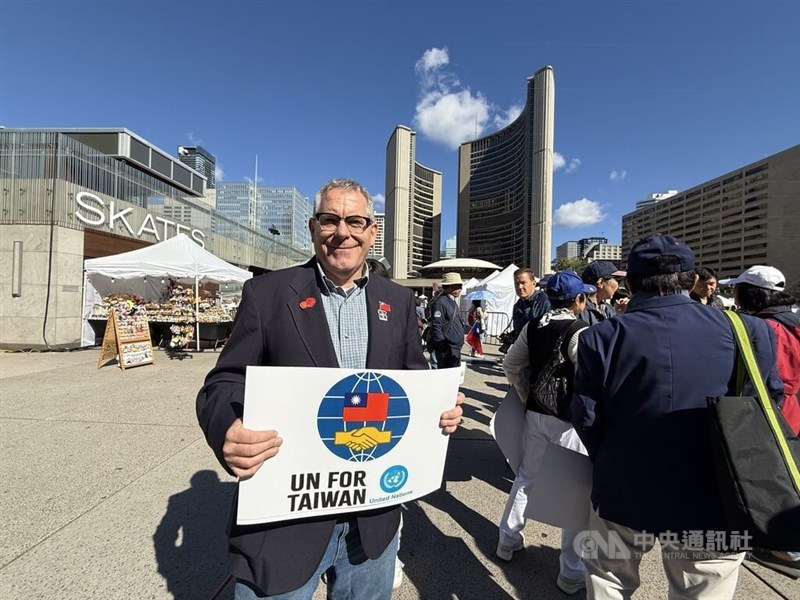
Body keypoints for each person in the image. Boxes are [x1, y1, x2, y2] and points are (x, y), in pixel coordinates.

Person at [196, 178, 464, 600]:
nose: (343, 232)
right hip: (286, 522)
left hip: (372, 522)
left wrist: (441, 409)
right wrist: (227, 428)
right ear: (312, 227)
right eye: (330, 220)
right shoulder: (267, 294)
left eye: (355, 221)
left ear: (372, 231)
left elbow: (413, 382)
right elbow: (223, 382)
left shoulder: (397, 301)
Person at [571, 234, 783, 600]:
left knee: (609, 577)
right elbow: (767, 401)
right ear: (692, 280)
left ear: (630, 283)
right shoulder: (749, 330)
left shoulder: (601, 336)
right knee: (705, 586)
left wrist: (610, 457)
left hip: (624, 485)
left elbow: (587, 417)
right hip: (716, 489)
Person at [496, 270, 596, 595]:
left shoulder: (533, 326)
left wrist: (526, 393)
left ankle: (507, 539)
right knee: (575, 489)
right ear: (578, 300)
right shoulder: (580, 331)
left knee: (526, 476)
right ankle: (570, 570)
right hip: (568, 421)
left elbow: (511, 364)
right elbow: (590, 379)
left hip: (536, 413)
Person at [721, 264, 800, 579]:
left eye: (737, 288)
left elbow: (768, 377)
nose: (733, 293)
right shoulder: (793, 321)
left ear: (750, 294)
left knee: (773, 476)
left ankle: (785, 546)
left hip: (773, 409)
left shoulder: (765, 328)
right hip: (794, 407)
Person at [429, 272, 466, 368]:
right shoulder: (440, 302)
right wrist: (443, 347)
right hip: (448, 348)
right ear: (451, 287)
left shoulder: (451, 301)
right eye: (459, 286)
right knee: (446, 373)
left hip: (454, 347)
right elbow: (436, 326)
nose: (461, 288)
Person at [511, 268, 552, 338]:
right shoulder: (518, 305)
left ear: (534, 283)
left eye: (523, 283)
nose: (520, 287)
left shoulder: (545, 302)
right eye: (516, 284)